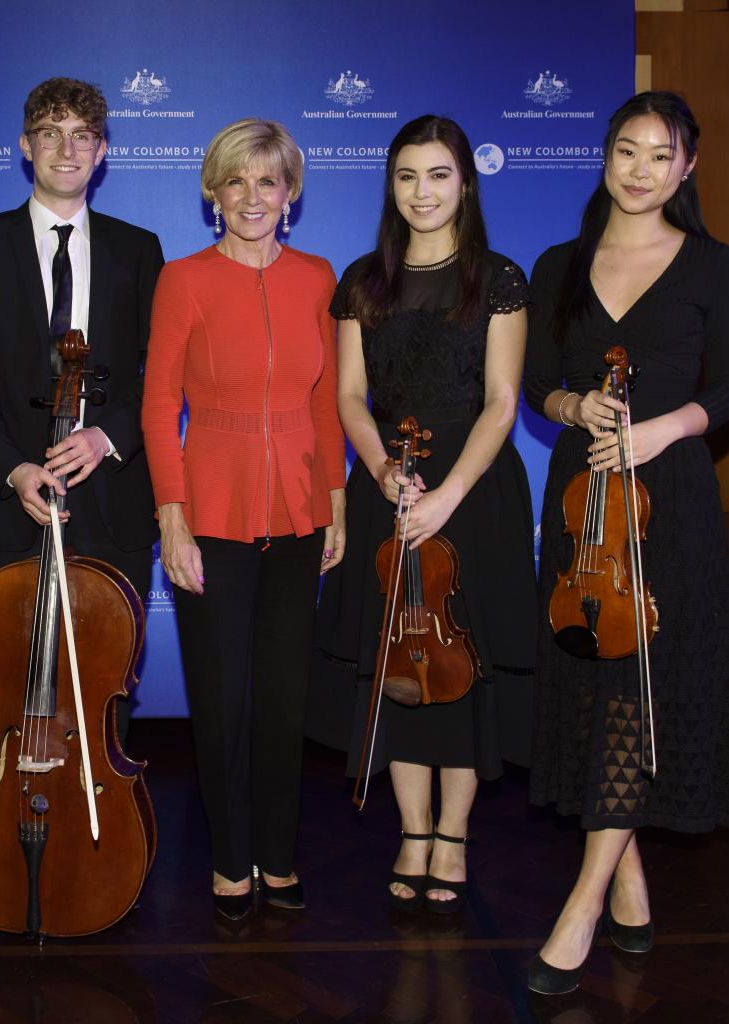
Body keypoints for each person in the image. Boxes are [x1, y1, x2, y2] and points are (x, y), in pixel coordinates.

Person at [524, 91, 729, 994]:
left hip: (671, 500)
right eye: (627, 150)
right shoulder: (560, 262)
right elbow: (541, 379)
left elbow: (727, 390)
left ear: (686, 168)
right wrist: (576, 406)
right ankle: (627, 874)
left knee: (638, 685)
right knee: (596, 685)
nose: (642, 169)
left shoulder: (710, 265)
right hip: (581, 505)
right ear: (605, 156)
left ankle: (580, 906)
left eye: (662, 155)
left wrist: (660, 431)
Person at [307, 116, 536, 914]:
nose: (423, 192)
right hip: (390, 489)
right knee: (398, 662)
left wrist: (447, 494)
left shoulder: (499, 279)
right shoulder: (364, 281)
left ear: (464, 183)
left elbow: (504, 403)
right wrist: (381, 468)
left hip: (472, 495)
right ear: (391, 187)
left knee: (462, 669)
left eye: (439, 175)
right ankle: (411, 829)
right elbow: (347, 396)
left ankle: (455, 834)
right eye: (407, 176)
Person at [141, 118, 347, 920]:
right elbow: (160, 404)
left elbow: (327, 402)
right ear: (213, 194)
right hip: (213, 512)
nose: (252, 197)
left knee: (286, 698)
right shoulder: (184, 279)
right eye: (236, 181)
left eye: (268, 181)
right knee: (223, 696)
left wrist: (334, 503)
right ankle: (230, 860)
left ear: (290, 194)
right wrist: (172, 517)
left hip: (300, 512)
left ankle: (278, 853)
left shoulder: (319, 276)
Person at [0, 78, 163, 742]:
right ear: (25, 147)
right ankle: (14, 828)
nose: (67, 150)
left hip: (112, 504)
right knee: (13, 689)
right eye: (51, 134)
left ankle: (103, 833)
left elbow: (164, 373)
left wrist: (107, 438)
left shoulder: (137, 248)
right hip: (8, 505)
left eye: (83, 135)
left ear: (102, 152)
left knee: (105, 688)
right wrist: (13, 467)